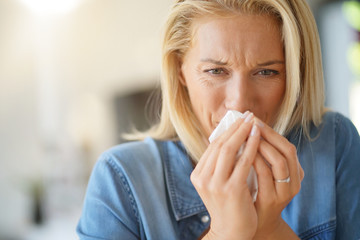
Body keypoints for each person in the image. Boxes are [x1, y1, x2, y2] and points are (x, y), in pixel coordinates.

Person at [76, 0, 360, 239]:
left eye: (266, 72)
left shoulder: (333, 143)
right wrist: (224, 233)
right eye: (215, 71)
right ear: (180, 71)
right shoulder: (120, 180)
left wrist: (271, 228)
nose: (239, 101)